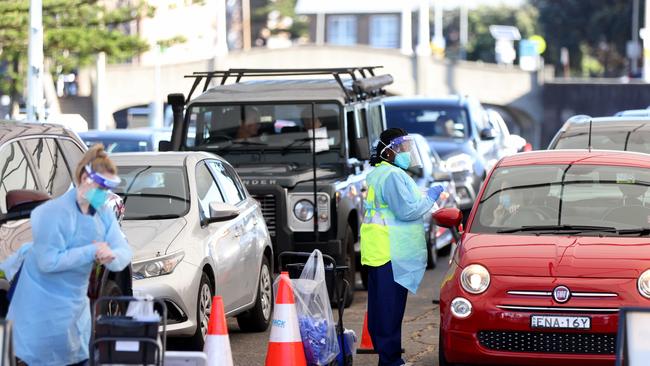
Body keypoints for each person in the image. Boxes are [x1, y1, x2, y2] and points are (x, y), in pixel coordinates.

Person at [7, 145, 132, 365]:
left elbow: (123, 252)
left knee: (76, 355)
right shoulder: (51, 213)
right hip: (40, 307)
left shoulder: (102, 213)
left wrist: (111, 255)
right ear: (85, 178)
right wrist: (91, 250)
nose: (106, 194)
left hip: (73, 312)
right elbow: (49, 261)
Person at [360, 128, 447, 366]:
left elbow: (400, 201)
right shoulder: (393, 176)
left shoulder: (380, 173)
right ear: (388, 151)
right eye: (402, 148)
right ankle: (391, 361)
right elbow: (406, 210)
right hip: (391, 252)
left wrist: (423, 195)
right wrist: (430, 198)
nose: (406, 152)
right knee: (389, 310)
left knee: (381, 309)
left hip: (379, 251)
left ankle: (387, 358)